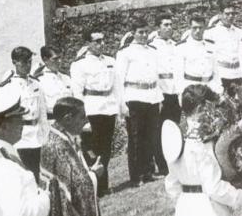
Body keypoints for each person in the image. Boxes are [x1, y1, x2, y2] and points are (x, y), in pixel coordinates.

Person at [163, 84, 242, 216]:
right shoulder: (203, 140)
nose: (216, 114)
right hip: (208, 208)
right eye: (213, 109)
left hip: (184, 207)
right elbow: (214, 188)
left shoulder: (175, 137)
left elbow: (172, 185)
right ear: (201, 108)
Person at [0, 85, 50, 216]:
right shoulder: (5, 167)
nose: (23, 125)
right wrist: (46, 197)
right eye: (18, 121)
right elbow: (21, 213)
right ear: (3, 128)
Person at [116, 19, 167, 185]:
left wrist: (159, 98)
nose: (144, 35)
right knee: (136, 138)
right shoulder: (125, 53)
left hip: (152, 96)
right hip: (134, 97)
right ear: (133, 33)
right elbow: (119, 79)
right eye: (140, 32)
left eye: (146, 32)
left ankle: (148, 171)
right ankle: (136, 175)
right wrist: (122, 103)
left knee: (151, 136)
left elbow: (156, 75)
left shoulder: (153, 51)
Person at [70, 29, 118, 196]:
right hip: (92, 109)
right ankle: (93, 185)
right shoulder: (79, 65)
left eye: (102, 40)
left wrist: (119, 107)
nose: (101, 44)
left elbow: (116, 87)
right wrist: (82, 119)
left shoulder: (110, 61)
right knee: (92, 149)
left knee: (106, 148)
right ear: (88, 44)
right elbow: (77, 93)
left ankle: (103, 185)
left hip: (109, 108)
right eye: (97, 41)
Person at [41, 97, 102, 216]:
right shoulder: (60, 146)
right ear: (68, 119)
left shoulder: (58, 136)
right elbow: (79, 186)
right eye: (82, 117)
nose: (86, 121)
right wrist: (94, 174)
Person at [0, 46, 49, 182]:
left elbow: (42, 113)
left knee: (37, 175)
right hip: (20, 138)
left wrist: (45, 136)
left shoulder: (36, 83)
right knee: (23, 177)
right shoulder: (8, 86)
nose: (27, 65)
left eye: (29, 61)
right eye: (23, 62)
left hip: (36, 136)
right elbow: (4, 117)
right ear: (14, 62)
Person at [174, 15, 222, 100]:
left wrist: (218, 88)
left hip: (210, 87)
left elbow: (216, 70)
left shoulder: (211, 45)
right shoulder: (181, 47)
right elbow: (178, 75)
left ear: (204, 28)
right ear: (190, 28)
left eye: (200, 28)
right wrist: (181, 94)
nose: (198, 31)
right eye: (194, 28)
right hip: (191, 89)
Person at [204, 1, 242, 97]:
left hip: (237, 74)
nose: (230, 16)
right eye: (227, 14)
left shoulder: (239, 31)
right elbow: (208, 57)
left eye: (233, 14)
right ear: (220, 15)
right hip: (221, 74)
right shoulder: (211, 32)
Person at [151, 13, 181, 123]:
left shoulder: (176, 46)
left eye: (170, 25)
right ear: (157, 28)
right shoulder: (152, 47)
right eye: (165, 25)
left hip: (175, 93)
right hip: (161, 93)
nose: (169, 28)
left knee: (174, 127)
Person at [33, 45, 72, 120]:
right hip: (51, 121)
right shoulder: (39, 80)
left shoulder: (66, 78)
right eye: (55, 59)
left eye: (60, 57)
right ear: (45, 60)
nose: (59, 61)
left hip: (69, 121)